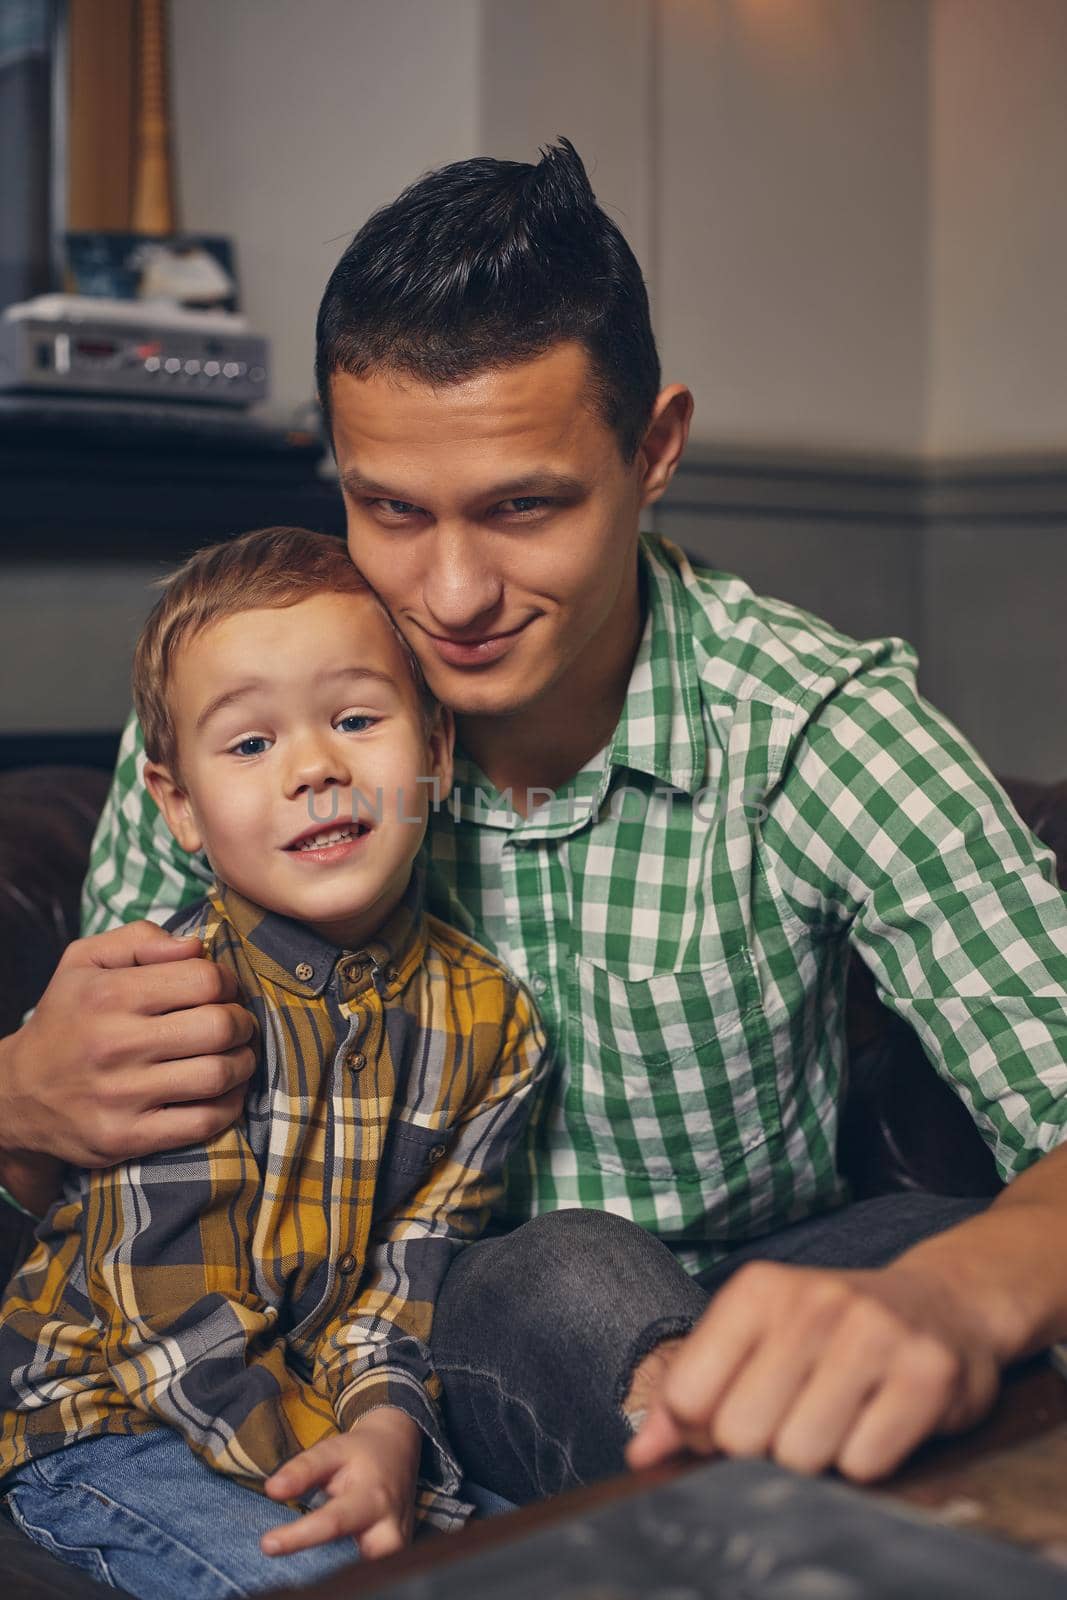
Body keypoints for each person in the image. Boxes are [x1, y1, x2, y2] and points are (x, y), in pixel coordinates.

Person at [2, 141, 1067, 1515]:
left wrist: (957, 1294)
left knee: (914, 1252)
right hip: (397, 1344)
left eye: (522, 506)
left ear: (653, 448)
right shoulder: (253, 730)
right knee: (553, 1268)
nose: (449, 594)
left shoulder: (812, 730)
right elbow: (118, 1209)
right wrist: (24, 1097)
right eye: (388, 509)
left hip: (751, 1292)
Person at [0, 527, 545, 1597]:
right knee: (350, 1571)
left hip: (310, 1405)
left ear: (433, 749)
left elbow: (408, 1274)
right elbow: (164, 1309)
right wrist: (335, 1469)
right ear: (179, 805)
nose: (314, 766)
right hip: (105, 1416)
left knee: (545, 1552)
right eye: (249, 745)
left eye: (354, 719)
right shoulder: (163, 1004)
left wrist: (388, 1427)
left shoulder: (491, 1022)